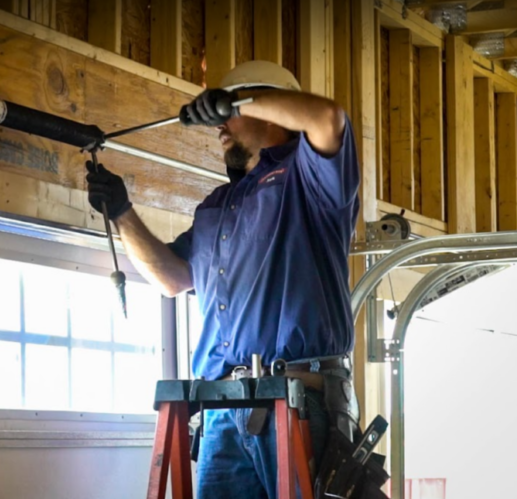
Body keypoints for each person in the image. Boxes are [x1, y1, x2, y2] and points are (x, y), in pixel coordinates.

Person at [86, 60, 361, 499]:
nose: (219, 127)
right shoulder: (218, 206)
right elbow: (172, 279)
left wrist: (239, 100)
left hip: (296, 399)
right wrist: (122, 212)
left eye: (228, 112)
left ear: (271, 109)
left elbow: (327, 118)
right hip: (221, 408)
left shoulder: (309, 179)